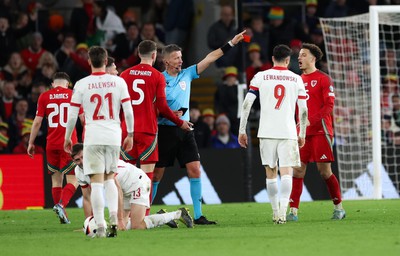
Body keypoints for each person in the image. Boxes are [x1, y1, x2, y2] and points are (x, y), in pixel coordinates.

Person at [152, 30, 247, 225]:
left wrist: (231, 43)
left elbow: (210, 57)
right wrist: (165, 114)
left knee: (195, 170)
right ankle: (143, 213)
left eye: (181, 57)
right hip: (165, 131)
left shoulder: (188, 74)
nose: (180, 61)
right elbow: (152, 107)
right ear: (166, 61)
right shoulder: (158, 79)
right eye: (176, 58)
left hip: (186, 131)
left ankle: (198, 215)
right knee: (156, 175)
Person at [64, 46, 134, 238]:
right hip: (113, 135)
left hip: (92, 136)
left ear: (88, 62)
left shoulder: (81, 84)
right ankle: (113, 219)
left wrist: (68, 136)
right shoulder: (118, 82)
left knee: (96, 182)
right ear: (106, 61)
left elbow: (72, 116)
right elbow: (128, 111)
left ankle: (100, 225)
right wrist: (131, 135)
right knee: (110, 178)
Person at [119, 40, 192, 216]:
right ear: (154, 56)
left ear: (138, 54)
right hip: (148, 131)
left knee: (124, 176)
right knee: (146, 176)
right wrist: (179, 121)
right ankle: (143, 216)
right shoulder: (157, 76)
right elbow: (162, 106)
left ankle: (123, 216)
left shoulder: (124, 75)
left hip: (126, 131)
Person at [238, 44, 308, 224]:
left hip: (267, 131)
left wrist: (242, 130)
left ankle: (275, 212)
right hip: (288, 132)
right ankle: (284, 213)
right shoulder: (296, 79)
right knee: (286, 172)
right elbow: (304, 110)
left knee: (270, 173)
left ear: (272, 59)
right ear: (287, 60)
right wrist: (302, 133)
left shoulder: (261, 76)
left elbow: (246, 104)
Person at [71, 143, 194, 230]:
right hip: (124, 190)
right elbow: (87, 198)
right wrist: (88, 224)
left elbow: (117, 190)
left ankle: (178, 214)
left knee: (137, 226)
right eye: (77, 160)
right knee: (124, 227)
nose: (81, 161)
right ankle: (162, 217)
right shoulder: (78, 171)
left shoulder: (102, 164)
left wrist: (119, 220)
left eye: (83, 156)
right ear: (73, 162)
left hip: (137, 183)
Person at [288, 43, 346, 221]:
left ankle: (339, 208)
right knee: (297, 171)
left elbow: (329, 106)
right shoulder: (296, 80)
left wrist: (310, 121)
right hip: (301, 133)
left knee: (324, 172)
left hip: (321, 131)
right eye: (299, 55)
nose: (299, 58)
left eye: (303, 55)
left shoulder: (323, 79)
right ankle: (293, 212)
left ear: (313, 58)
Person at [27, 72, 79, 224]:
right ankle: (61, 205)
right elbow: (83, 119)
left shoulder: (44, 96)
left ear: (52, 84)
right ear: (68, 83)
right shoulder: (73, 95)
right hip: (69, 143)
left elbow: (37, 122)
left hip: (52, 144)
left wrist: (31, 142)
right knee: (74, 179)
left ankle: (63, 217)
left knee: (56, 181)